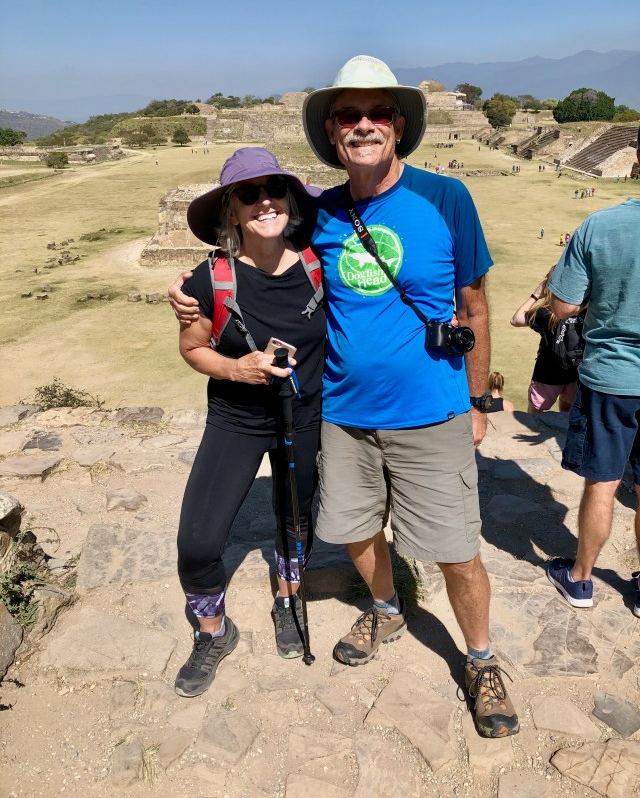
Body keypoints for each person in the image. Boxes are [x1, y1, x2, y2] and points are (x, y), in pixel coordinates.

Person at [170, 55, 519, 738]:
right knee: (356, 530)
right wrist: (188, 295)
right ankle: (387, 609)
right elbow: (253, 252)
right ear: (332, 131)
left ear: (399, 124)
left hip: (433, 409)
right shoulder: (320, 212)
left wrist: (478, 402)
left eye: (377, 113)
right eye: (349, 116)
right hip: (344, 415)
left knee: (455, 547)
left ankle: (480, 658)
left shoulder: (445, 199)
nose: (363, 125)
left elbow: (474, 306)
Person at [173, 148, 326, 698]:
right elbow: (193, 349)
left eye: (274, 190)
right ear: (231, 211)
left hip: (305, 417)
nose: (265, 201)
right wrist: (236, 367)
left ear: (289, 200)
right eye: (248, 193)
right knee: (197, 539)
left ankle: (288, 600)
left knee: (295, 522)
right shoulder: (208, 280)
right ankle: (213, 629)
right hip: (235, 419)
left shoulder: (319, 262)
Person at [546, 130, 640, 615]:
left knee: (602, 482)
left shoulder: (601, 225)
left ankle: (581, 578)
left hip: (612, 378)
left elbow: (562, 305)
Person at [510, 268, 581, 413]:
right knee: (567, 408)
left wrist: (535, 295)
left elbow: (515, 320)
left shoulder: (545, 314)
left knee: (535, 413)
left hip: (547, 374)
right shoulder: (584, 310)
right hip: (575, 373)